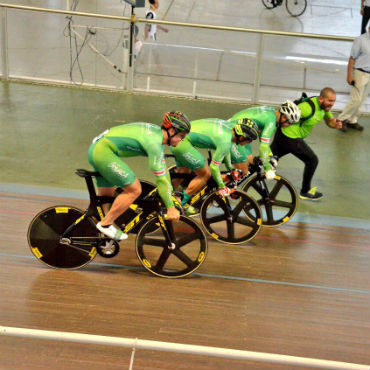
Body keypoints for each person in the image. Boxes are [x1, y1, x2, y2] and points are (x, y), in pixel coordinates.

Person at [88, 112, 190, 241]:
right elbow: (161, 179)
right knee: (135, 190)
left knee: (104, 200)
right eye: (181, 136)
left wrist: (172, 194)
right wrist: (170, 208)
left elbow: (164, 174)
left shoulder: (155, 134)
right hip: (103, 153)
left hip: (98, 149)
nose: (182, 140)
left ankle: (92, 231)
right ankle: (106, 224)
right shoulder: (154, 144)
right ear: (171, 130)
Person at [170, 118, 259, 214]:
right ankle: (180, 205)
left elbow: (226, 151)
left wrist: (230, 168)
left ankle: (166, 198)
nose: (249, 143)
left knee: (183, 174)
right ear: (242, 137)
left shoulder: (230, 129)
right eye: (249, 140)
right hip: (182, 142)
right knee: (205, 174)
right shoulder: (225, 141)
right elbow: (214, 167)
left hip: (178, 138)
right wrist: (221, 186)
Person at [270, 87, 342, 201]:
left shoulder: (324, 108)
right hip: (291, 138)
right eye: (329, 101)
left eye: (333, 101)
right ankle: (305, 191)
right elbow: (283, 113)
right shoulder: (307, 108)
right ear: (321, 99)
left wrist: (335, 124)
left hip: (283, 136)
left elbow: (329, 122)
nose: (331, 104)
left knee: (266, 159)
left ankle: (240, 174)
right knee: (312, 160)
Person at [229, 101, 301, 179]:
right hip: (233, 134)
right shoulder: (271, 122)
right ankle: (220, 187)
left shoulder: (272, 113)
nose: (289, 126)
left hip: (241, 134)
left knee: (250, 160)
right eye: (290, 123)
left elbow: (261, 136)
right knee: (243, 171)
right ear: (284, 117)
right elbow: (263, 147)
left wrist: (270, 156)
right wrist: (267, 169)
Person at [338, 25, 370, 132]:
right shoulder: (360, 40)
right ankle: (341, 119)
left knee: (362, 100)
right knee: (356, 99)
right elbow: (352, 58)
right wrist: (349, 75)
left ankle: (353, 120)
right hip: (360, 73)